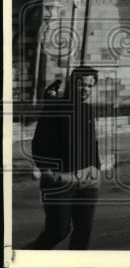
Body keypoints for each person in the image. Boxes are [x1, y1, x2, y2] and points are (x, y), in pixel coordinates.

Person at [27, 66, 101, 250]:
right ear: (71, 84)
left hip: (88, 180)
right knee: (57, 232)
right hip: (61, 180)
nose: (85, 89)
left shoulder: (88, 110)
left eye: (90, 86)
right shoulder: (54, 108)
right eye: (81, 85)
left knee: (84, 231)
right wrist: (47, 171)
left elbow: (92, 141)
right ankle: (21, 258)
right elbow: (39, 143)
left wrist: (96, 167)